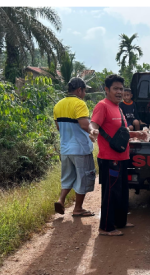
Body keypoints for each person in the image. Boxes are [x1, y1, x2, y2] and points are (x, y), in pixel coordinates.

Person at [91, 74, 147, 237]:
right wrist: (93, 131)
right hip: (110, 159)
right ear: (107, 90)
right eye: (115, 88)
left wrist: (137, 133)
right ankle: (106, 227)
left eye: (121, 89)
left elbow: (120, 133)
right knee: (111, 192)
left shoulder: (119, 108)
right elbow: (93, 123)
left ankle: (120, 221)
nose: (119, 92)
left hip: (122, 157)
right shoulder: (102, 106)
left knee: (122, 191)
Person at [53, 77, 96, 218]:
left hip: (65, 149)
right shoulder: (79, 104)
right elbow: (84, 124)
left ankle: (61, 200)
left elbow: (59, 127)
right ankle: (78, 208)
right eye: (84, 91)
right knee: (83, 178)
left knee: (68, 177)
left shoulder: (58, 105)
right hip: (80, 149)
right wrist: (93, 131)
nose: (84, 94)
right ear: (79, 90)